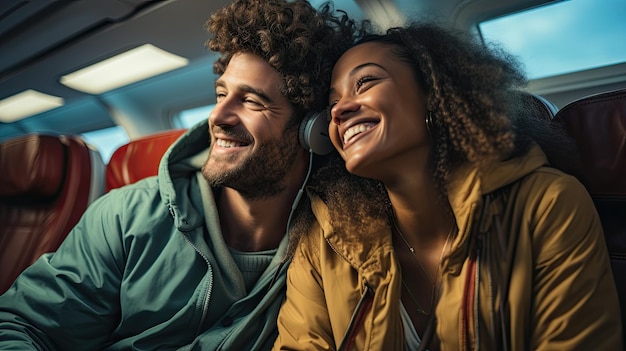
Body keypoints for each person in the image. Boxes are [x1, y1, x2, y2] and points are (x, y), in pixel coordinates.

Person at [0, 0, 360, 349]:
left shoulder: (334, 249)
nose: (218, 116)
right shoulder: (126, 216)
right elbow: (23, 326)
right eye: (221, 94)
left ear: (312, 130)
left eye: (251, 101)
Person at [273, 22, 622, 350]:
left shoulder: (546, 204)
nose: (340, 110)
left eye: (365, 82)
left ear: (434, 91)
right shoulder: (324, 240)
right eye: (333, 104)